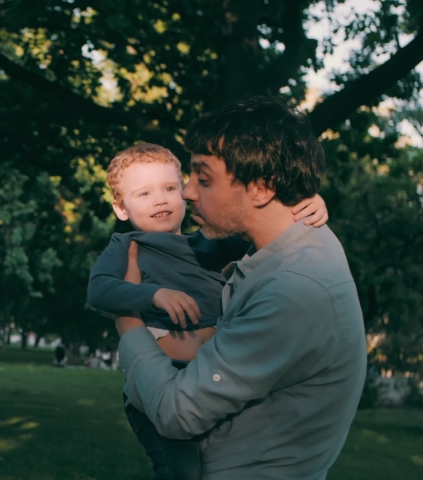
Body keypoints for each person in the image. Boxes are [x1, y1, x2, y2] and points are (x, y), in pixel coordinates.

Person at [114, 97, 367, 479]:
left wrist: (128, 320)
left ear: (262, 188)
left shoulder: (293, 290)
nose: (186, 192)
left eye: (204, 178)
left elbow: (175, 412)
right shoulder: (300, 243)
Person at [88, 141, 328, 479]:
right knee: (181, 470)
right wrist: (153, 295)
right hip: (159, 376)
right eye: (143, 194)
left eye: (170, 188)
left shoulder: (209, 243)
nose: (160, 199)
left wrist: (306, 204)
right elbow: (99, 290)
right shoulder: (127, 245)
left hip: (212, 375)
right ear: (121, 209)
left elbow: (269, 229)